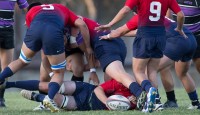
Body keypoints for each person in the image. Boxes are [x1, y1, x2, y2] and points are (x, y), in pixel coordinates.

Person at [0, 2, 94, 112]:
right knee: (58, 73)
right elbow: (82, 24)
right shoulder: (61, 8)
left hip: (37, 30)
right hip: (53, 34)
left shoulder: (31, 13)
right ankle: (49, 99)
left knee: (21, 60)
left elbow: (40, 42)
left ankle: (1, 78)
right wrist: (88, 48)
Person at [96, 0, 185, 112]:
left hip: (145, 35)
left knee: (138, 72)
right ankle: (156, 102)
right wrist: (179, 28)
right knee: (152, 71)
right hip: (161, 36)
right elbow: (181, 15)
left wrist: (109, 25)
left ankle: (149, 90)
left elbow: (125, 10)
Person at [0, 79, 138, 111]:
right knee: (49, 86)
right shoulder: (123, 82)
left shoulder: (136, 102)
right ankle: (9, 84)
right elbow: (98, 90)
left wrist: (132, 102)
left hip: (85, 105)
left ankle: (38, 98)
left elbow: (135, 106)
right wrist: (108, 101)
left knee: (58, 101)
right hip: (86, 89)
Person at [161, 0, 200, 108]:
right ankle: (191, 103)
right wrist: (167, 30)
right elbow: (168, 13)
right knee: (180, 72)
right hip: (180, 38)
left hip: (196, 37)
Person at [0, 0, 29, 107]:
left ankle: (0, 99)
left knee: (5, 69)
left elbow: (27, 10)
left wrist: (31, 20)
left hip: (8, 31)